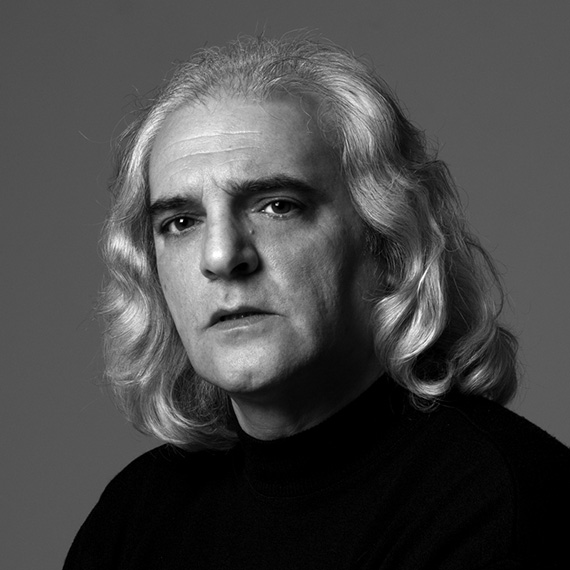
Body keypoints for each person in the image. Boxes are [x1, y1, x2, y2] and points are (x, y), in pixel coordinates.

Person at [64, 34, 570, 569]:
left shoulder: (497, 504)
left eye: (277, 206)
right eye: (181, 222)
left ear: (387, 241)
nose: (221, 255)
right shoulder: (134, 517)